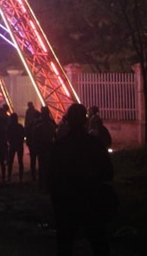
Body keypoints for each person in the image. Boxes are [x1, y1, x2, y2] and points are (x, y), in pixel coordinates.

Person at [48, 103, 115, 256]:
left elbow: (52, 178)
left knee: (65, 244)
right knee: (98, 242)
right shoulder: (95, 144)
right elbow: (108, 172)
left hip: (67, 203)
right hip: (91, 201)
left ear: (67, 121)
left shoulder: (60, 146)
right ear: (85, 120)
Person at [6, 110, 25, 182]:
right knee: (20, 161)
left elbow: (7, 135)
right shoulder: (20, 126)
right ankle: (21, 177)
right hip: (19, 144)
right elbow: (23, 134)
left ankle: (9, 177)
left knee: (10, 162)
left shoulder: (9, 126)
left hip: (12, 145)